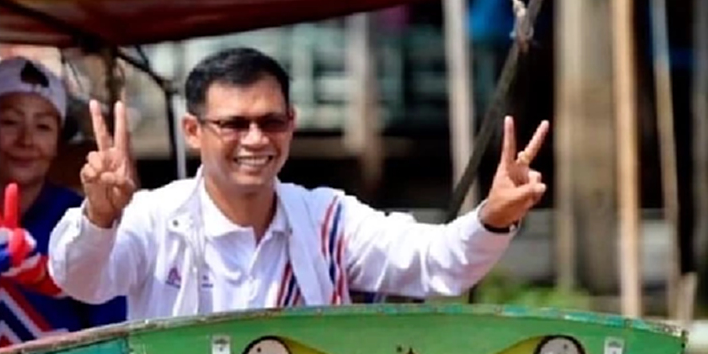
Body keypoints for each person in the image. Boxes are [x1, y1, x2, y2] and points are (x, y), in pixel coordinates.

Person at [47, 47, 549, 320]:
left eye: (271, 122)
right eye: (234, 124)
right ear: (194, 133)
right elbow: (81, 281)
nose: (255, 139)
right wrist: (100, 217)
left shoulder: (328, 219)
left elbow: (435, 262)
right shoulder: (156, 218)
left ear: (292, 122)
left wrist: (494, 215)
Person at [0, 56, 128, 354]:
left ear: (58, 141)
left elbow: (112, 330)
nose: (26, 140)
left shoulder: (83, 218)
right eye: (10, 122)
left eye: (43, 127)